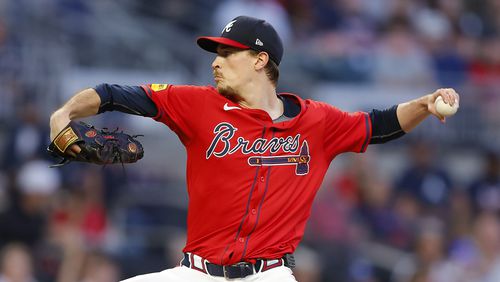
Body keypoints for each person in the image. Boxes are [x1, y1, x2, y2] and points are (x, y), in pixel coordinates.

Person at [49, 15, 460, 282]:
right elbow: (113, 94)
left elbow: (380, 125)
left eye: (228, 53)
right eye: (216, 53)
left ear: (261, 60)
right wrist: (65, 112)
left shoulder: (317, 122)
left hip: (269, 276)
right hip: (196, 273)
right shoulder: (196, 104)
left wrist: (423, 105)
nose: (216, 61)